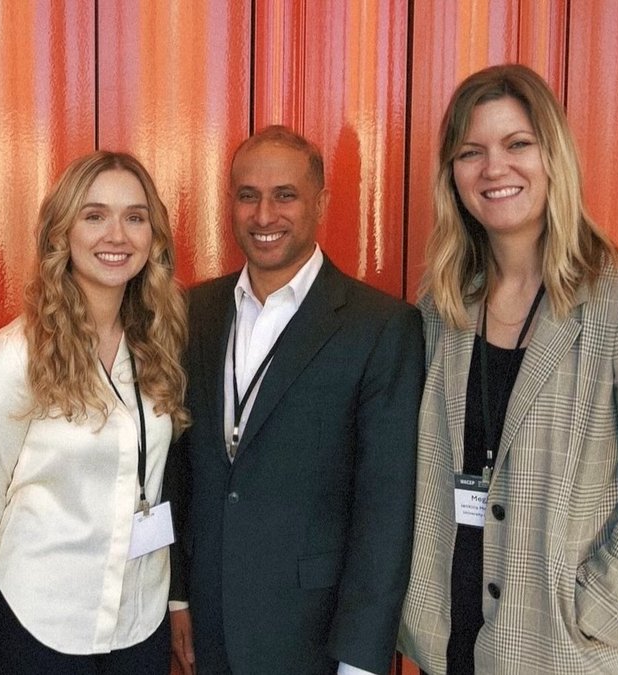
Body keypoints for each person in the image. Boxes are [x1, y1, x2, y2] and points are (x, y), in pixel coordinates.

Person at [398, 64, 618, 674]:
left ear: (554, 157)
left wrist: (589, 615)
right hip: (453, 651)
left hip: (571, 657)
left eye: (518, 144)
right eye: (471, 152)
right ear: (452, 175)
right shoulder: (441, 306)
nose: (495, 169)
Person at [165, 125, 424, 675]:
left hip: (315, 636)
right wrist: (178, 596)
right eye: (247, 195)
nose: (264, 216)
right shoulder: (193, 312)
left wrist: (360, 659)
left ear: (320, 202)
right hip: (207, 628)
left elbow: (387, 508)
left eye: (285, 195)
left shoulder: (380, 327)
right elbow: (179, 469)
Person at [0, 151, 188, 674]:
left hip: (139, 617)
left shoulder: (160, 343)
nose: (117, 235)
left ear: (153, 237)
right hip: (39, 620)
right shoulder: (14, 359)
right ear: (61, 233)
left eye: (135, 217)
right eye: (94, 216)